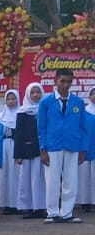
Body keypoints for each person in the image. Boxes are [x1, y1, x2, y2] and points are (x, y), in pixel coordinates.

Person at [38, 69, 88, 224]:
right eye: (62, 81)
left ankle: (67, 212)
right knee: (52, 180)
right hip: (53, 145)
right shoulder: (46, 102)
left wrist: (83, 148)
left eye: (69, 82)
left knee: (70, 180)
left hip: (73, 144)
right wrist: (42, 149)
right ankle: (52, 212)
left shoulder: (78, 102)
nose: (66, 85)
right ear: (55, 81)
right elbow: (41, 127)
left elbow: (83, 127)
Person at [14, 84, 46, 218]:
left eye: (38, 92)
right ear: (28, 94)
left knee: (40, 180)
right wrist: (18, 154)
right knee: (26, 180)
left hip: (41, 151)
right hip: (26, 151)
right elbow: (18, 135)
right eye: (32, 92)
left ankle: (40, 207)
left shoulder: (45, 110)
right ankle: (26, 207)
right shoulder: (22, 113)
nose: (35, 95)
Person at [0, 89, 21, 214]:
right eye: (8, 99)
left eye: (13, 99)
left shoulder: (21, 115)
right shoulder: (0, 117)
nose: (11, 101)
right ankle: (5, 204)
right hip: (3, 147)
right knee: (4, 174)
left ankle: (18, 203)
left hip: (16, 147)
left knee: (16, 174)